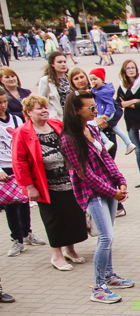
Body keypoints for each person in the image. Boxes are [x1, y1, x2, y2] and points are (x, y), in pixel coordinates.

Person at [59, 91, 134, 302]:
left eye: (95, 106)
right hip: (93, 193)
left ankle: (109, 275)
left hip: (109, 189)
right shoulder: (68, 139)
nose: (95, 111)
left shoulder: (92, 128)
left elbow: (106, 157)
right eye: (90, 108)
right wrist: (112, 191)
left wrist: (120, 179)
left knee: (109, 236)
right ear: (76, 111)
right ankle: (98, 287)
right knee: (105, 237)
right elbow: (84, 174)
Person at [12, 95, 88, 271]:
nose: (44, 110)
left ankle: (71, 249)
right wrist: (29, 186)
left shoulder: (56, 124)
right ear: (29, 112)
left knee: (73, 215)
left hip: (69, 181)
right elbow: (19, 161)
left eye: (45, 107)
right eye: (39, 108)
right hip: (46, 185)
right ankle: (57, 255)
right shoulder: (22, 132)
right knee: (54, 220)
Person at [1, 93, 43, 257]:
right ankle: (16, 239)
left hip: (19, 164)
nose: (3, 105)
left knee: (25, 200)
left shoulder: (16, 119)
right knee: (11, 204)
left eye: (5, 101)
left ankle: (27, 233)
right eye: (0, 102)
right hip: (4, 168)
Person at [116, 59, 140, 187]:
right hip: (131, 121)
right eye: (128, 68)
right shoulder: (122, 85)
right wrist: (133, 101)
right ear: (124, 71)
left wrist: (127, 103)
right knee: (137, 151)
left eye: (133, 67)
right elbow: (118, 103)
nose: (131, 70)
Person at [89, 67, 136, 155]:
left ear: (102, 80)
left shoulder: (101, 92)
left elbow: (111, 104)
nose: (93, 82)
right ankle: (129, 143)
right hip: (106, 112)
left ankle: (106, 142)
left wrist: (106, 115)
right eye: (91, 80)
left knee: (95, 127)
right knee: (116, 128)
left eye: (95, 79)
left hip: (104, 113)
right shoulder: (100, 90)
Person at [37, 52, 70, 119]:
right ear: (52, 64)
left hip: (72, 114)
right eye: (59, 62)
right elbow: (41, 100)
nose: (63, 64)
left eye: (64, 62)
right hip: (57, 116)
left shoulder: (70, 78)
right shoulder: (46, 80)